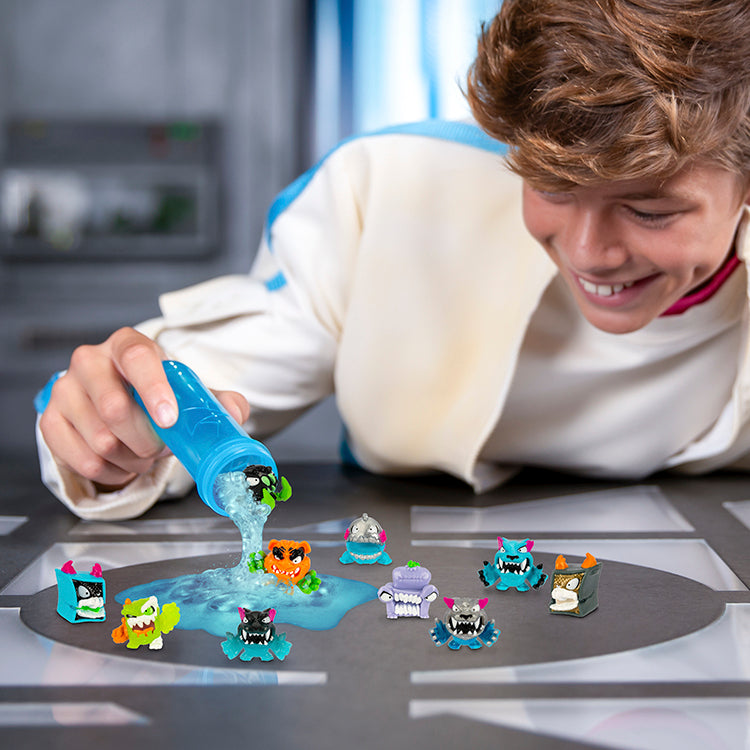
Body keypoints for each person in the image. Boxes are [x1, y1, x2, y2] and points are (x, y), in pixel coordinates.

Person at [37, 0, 750, 520]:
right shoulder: (382, 193)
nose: (592, 252)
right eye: (551, 187)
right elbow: (193, 393)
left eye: (651, 210)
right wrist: (108, 428)